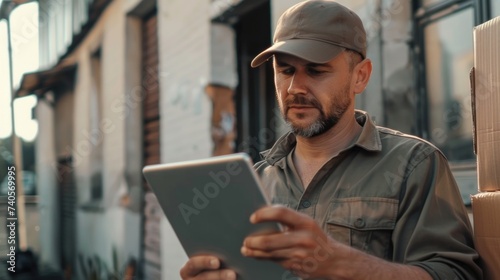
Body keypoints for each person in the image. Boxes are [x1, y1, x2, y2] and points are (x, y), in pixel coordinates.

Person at [180, 1, 482, 279]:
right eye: (285, 70)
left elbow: (456, 274)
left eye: (316, 70)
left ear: (360, 76)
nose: (295, 87)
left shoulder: (414, 164)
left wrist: (348, 265)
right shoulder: (256, 180)